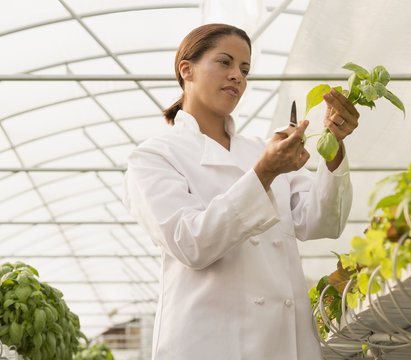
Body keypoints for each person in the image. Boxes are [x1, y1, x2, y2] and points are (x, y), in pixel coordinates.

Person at [123, 23, 360, 360]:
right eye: (225, 62)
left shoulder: (263, 149)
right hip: (208, 344)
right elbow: (192, 244)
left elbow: (324, 221)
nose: (237, 76)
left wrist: (334, 144)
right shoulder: (154, 156)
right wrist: (263, 173)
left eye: (244, 69)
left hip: (282, 343)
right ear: (186, 70)